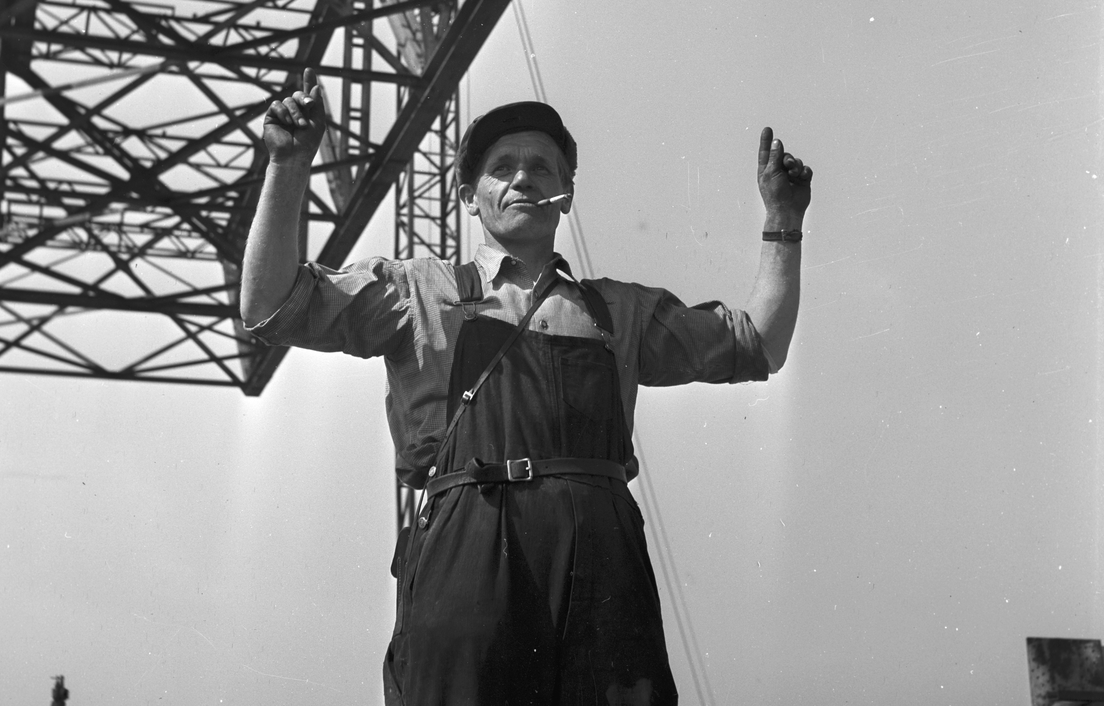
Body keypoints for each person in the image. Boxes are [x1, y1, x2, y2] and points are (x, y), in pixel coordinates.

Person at [241, 69, 813, 706]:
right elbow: (269, 306)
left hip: (603, 568)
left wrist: (783, 221)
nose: (523, 177)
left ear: (566, 195)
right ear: (469, 197)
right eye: (502, 167)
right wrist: (287, 165)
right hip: (469, 553)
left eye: (542, 167)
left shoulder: (619, 313)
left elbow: (760, 344)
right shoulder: (419, 293)